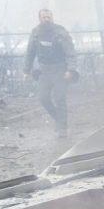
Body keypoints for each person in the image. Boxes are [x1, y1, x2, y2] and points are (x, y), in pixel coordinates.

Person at [24, 8, 76, 138]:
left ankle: (62, 128)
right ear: (39, 19)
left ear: (52, 18)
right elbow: (30, 52)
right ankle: (59, 120)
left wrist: (71, 69)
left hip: (60, 70)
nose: (46, 19)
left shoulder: (60, 32)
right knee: (43, 98)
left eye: (48, 17)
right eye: (43, 17)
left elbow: (70, 52)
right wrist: (26, 70)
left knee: (59, 98)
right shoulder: (35, 33)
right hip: (44, 71)